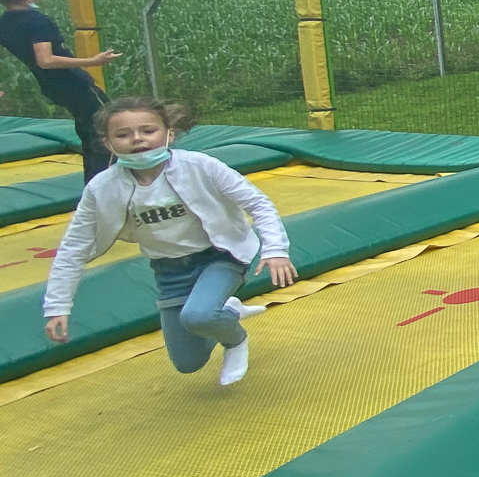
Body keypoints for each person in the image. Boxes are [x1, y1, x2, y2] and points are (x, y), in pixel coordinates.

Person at [43, 96, 297, 387]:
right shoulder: (102, 187)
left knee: (198, 316)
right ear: (108, 144)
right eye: (123, 135)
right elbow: (73, 248)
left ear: (169, 134)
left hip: (219, 256)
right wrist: (57, 306)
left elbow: (258, 204)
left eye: (148, 131)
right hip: (170, 270)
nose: (137, 139)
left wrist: (275, 249)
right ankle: (227, 311)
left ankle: (234, 339)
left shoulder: (199, 166)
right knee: (188, 363)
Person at [0, 0, 120, 179]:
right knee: (106, 126)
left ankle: (92, 182)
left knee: (88, 129)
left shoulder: (5, 22)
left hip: (51, 86)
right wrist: (93, 61)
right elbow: (45, 60)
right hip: (72, 82)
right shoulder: (37, 21)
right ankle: (106, 181)